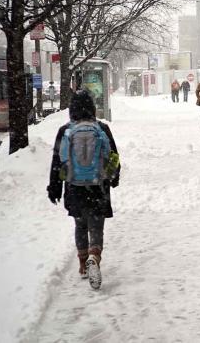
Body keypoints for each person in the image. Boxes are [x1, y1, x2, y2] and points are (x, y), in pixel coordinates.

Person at [47, 90, 121, 289]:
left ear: (72, 110)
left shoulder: (65, 131)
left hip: (74, 187)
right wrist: (114, 178)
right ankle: (94, 257)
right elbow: (114, 156)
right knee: (96, 225)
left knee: (80, 225)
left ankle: (82, 264)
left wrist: (54, 188)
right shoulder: (102, 128)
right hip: (98, 186)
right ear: (92, 108)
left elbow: (57, 162)